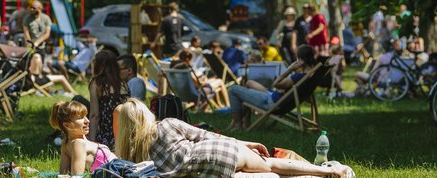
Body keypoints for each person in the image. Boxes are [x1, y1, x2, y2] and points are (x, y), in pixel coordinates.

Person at [114, 98, 354, 178]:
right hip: (221, 151)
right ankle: (329, 171)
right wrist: (243, 143)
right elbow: (206, 135)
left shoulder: (135, 156)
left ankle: (327, 173)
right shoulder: (168, 124)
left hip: (205, 171)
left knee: (268, 175)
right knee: (269, 165)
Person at [227, 45, 318, 131]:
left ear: (300, 60)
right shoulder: (311, 76)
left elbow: (276, 83)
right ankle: (243, 123)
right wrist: (286, 91)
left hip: (271, 103)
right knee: (248, 85)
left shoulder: (299, 77)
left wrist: (289, 69)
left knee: (233, 89)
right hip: (278, 100)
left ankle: (238, 125)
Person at [49, 101, 117, 175]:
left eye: (85, 116)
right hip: (121, 170)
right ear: (67, 125)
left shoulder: (67, 143)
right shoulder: (78, 143)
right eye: (81, 118)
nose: (87, 121)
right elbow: (76, 176)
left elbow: (63, 174)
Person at [88, 50, 129, 149]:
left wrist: (91, 142)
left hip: (106, 135)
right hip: (124, 134)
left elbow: (95, 115)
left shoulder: (97, 84)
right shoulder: (123, 84)